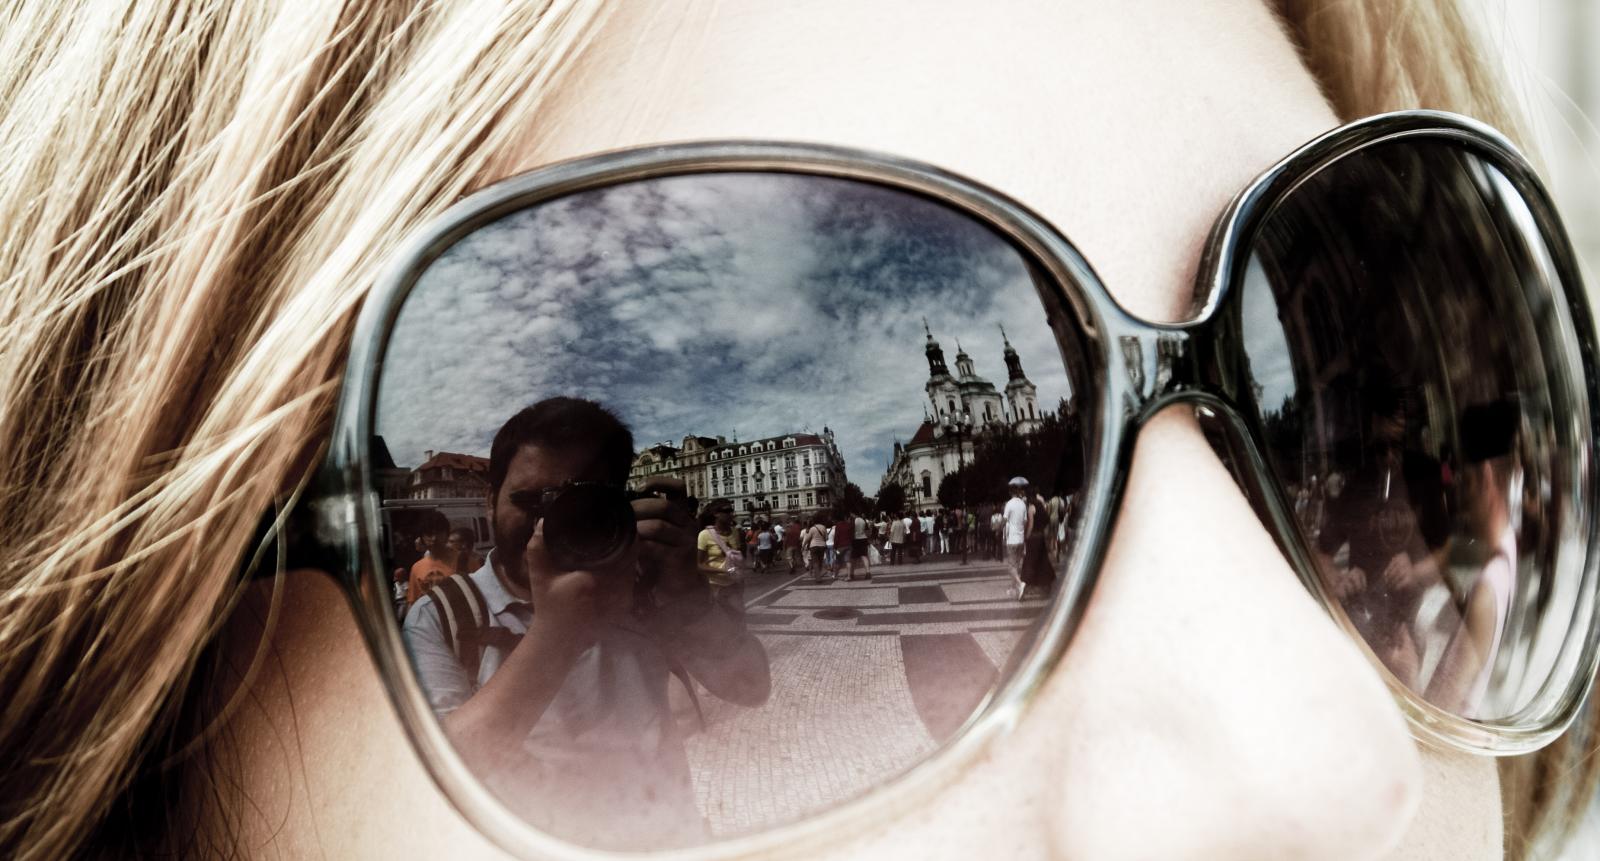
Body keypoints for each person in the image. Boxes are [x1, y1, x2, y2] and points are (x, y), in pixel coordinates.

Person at [8, 4, 1598, 860]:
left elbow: (750, 683)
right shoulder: (489, 625)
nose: (1332, 759)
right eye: (689, 394)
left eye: (1317, 416)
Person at [402, 401, 769, 845]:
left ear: (622, 504)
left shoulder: (647, 590)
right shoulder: (443, 615)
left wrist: (688, 598)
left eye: (578, 503)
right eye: (530, 501)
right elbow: (435, 779)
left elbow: (750, 689)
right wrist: (557, 632)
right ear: (489, 501)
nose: (549, 522)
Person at [405, 509, 455, 607]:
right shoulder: (417, 568)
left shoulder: (465, 560)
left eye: (439, 533)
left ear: (447, 534)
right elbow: (412, 603)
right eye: (429, 534)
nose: (434, 538)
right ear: (422, 538)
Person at [1002, 478, 1031, 596]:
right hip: (1020, 538)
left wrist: (999, 530)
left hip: (1012, 539)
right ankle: (1014, 588)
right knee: (1016, 565)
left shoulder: (1009, 504)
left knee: (1011, 566)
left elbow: (1004, 520)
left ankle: (1020, 584)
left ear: (1010, 492)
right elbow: (1025, 521)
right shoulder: (1023, 504)